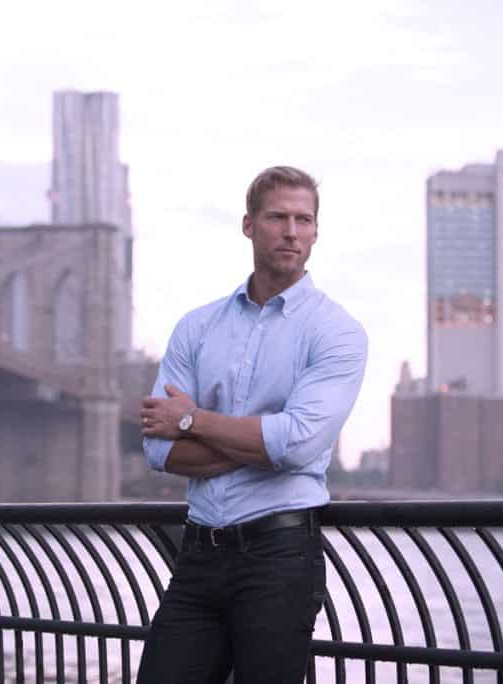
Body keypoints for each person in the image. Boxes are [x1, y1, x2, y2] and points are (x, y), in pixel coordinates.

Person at [137, 166, 368, 683]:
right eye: (278, 217)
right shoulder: (197, 327)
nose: (292, 232)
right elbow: (158, 450)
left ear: (315, 231)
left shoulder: (337, 332)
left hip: (279, 559)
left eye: (304, 220)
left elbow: (298, 443)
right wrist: (261, 441)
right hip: (197, 556)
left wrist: (193, 421)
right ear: (248, 226)